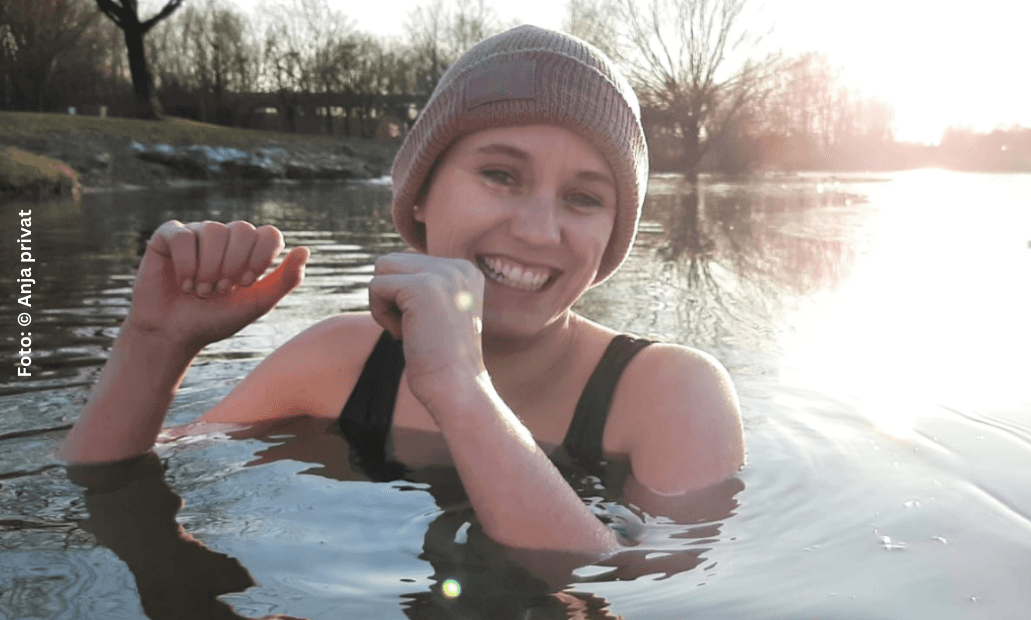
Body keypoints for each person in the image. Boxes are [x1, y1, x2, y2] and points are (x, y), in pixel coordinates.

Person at [59, 25, 746, 558]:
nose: (539, 230)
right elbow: (107, 491)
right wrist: (154, 346)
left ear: (613, 236)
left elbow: (640, 587)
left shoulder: (673, 395)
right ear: (420, 196)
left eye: (584, 198)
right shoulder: (337, 360)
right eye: (501, 175)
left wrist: (459, 387)